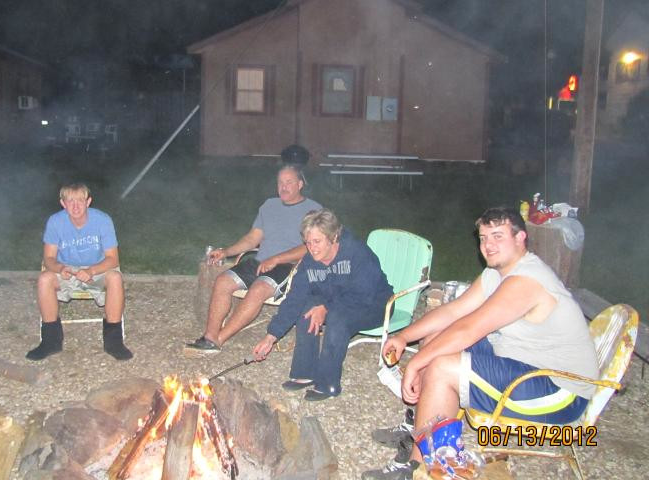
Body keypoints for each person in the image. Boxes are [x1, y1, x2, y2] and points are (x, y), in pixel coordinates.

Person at [362, 208, 599, 480]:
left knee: (440, 367)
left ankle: (419, 466)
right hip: (525, 364)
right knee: (435, 340)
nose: (488, 245)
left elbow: (469, 328)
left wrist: (416, 363)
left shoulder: (527, 280)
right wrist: (404, 336)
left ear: (520, 237)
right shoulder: (496, 274)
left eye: (498, 236)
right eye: (484, 237)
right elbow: (454, 312)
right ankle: (420, 426)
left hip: (559, 391)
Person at [253, 208, 394, 401]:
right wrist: (271, 337)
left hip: (376, 304)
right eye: (308, 242)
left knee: (338, 318)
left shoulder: (357, 253)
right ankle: (305, 372)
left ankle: (328, 384)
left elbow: (363, 294)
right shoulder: (310, 261)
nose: (312, 248)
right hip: (337, 299)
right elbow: (294, 298)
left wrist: (326, 307)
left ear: (333, 237)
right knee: (306, 309)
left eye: (317, 241)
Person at [186, 165, 321, 354]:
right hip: (259, 261)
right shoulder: (269, 206)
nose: (283, 187)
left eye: (289, 182)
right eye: (280, 182)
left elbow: (311, 246)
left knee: (258, 289)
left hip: (289, 266)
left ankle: (218, 340)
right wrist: (226, 252)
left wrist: (277, 258)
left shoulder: (313, 210)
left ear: (300, 184)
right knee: (222, 281)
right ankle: (209, 336)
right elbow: (252, 239)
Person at [26, 183, 132, 361]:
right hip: (66, 269)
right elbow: (48, 259)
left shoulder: (103, 220)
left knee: (115, 277)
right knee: (45, 279)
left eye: (80, 201)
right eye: (70, 201)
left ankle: (114, 342)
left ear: (88, 202)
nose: (75, 206)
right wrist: (60, 268)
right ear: (63, 203)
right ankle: (50, 341)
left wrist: (91, 271)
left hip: (97, 268)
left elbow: (113, 259)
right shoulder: (55, 222)